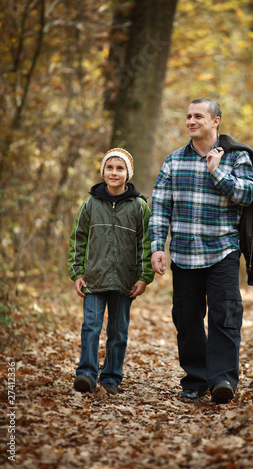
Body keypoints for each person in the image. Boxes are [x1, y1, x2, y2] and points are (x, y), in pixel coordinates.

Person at [148, 98, 253, 403]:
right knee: (187, 320)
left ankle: (223, 379)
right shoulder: (173, 160)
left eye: (198, 116)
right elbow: (160, 206)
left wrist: (216, 172)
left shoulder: (237, 158)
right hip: (183, 255)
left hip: (222, 251)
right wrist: (158, 247)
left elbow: (248, 195)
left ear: (215, 121)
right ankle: (195, 380)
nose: (191, 121)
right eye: (188, 116)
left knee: (225, 317)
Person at [68, 148, 154, 395]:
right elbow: (78, 239)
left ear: (128, 173)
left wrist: (143, 277)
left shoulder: (139, 207)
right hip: (94, 278)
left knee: (118, 332)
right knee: (91, 326)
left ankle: (111, 378)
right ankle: (85, 374)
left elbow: (146, 243)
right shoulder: (90, 204)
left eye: (120, 168)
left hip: (125, 280)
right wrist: (77, 273)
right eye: (110, 167)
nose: (114, 172)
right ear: (102, 171)